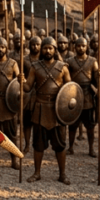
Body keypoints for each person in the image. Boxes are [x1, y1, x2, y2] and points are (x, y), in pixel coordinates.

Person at [23, 37, 71, 183]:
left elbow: (70, 89)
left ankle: (62, 174)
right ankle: (37, 173)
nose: (47, 50)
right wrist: (21, 81)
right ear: (41, 50)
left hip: (57, 110)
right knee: (38, 144)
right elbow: (27, 88)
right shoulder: (35, 67)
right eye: (45, 48)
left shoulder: (63, 67)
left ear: (55, 50)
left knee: (60, 145)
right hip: (40, 109)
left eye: (50, 48)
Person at [0, 38, 20, 170]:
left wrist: (21, 79)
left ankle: (14, 160)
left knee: (11, 134)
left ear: (7, 48)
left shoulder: (13, 63)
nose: (0, 49)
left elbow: (18, 81)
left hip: (8, 102)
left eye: (3, 47)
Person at [67, 37, 99, 158]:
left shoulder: (93, 61)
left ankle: (91, 148)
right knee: (72, 125)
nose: (81, 48)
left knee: (90, 126)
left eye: (83, 46)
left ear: (87, 47)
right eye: (79, 46)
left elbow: (96, 80)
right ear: (75, 47)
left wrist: (99, 80)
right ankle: (70, 147)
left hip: (87, 95)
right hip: (74, 94)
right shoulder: (70, 61)